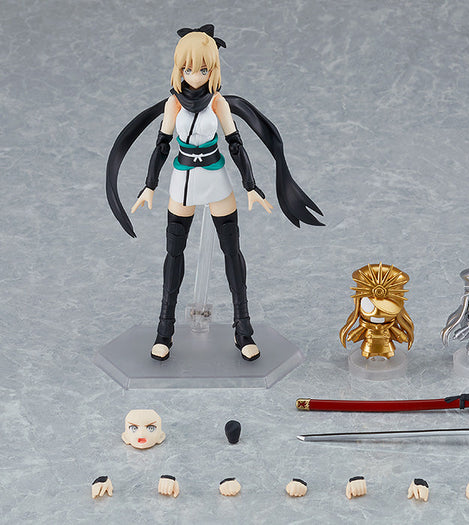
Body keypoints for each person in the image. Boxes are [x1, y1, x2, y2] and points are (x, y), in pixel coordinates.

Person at [106, 25, 323, 362]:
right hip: (182, 180)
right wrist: (150, 184)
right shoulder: (173, 104)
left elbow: (236, 144)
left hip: (215, 177)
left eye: (203, 69)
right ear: (179, 69)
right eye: (188, 69)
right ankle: (164, 331)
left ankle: (243, 330)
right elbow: (161, 146)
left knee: (231, 251)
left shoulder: (218, 103)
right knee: (174, 253)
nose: (195, 76)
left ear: (213, 69)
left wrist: (251, 185)